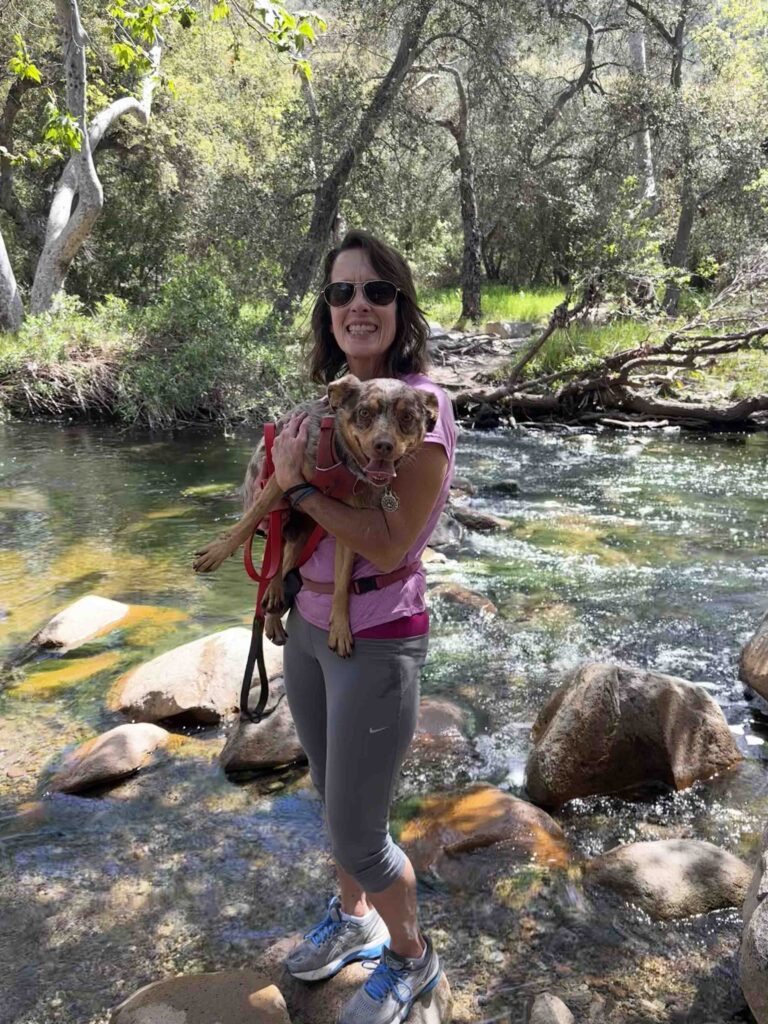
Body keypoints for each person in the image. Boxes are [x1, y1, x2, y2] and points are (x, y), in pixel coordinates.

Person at [270, 229, 456, 1024]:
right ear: (328, 311)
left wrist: (298, 492)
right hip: (313, 626)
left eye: (376, 291)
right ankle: (354, 919)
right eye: (341, 292)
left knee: (359, 832)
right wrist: (278, 593)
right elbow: (280, 498)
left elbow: (386, 538)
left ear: (400, 305)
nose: (357, 306)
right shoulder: (330, 404)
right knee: (329, 795)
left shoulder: (420, 408)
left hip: (377, 636)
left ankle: (414, 958)